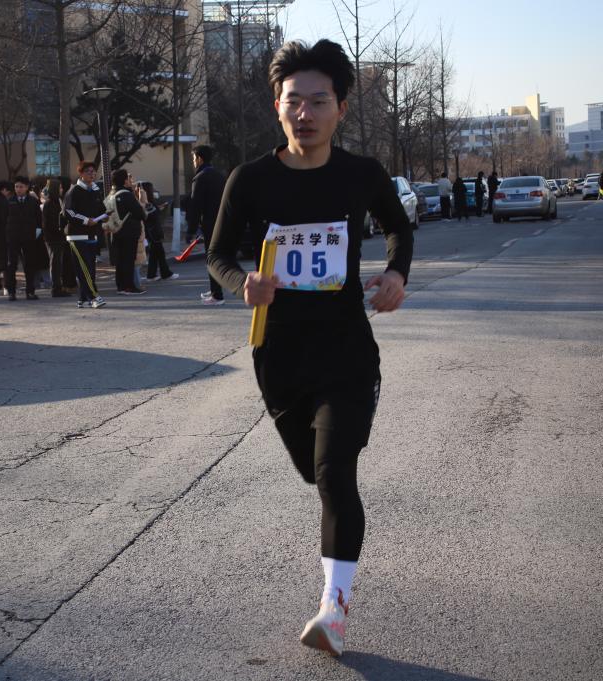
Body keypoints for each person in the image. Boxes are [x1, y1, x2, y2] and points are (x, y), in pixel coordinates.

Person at [207, 39, 413, 658]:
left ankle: (333, 610)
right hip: (279, 356)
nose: (305, 113)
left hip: (346, 350)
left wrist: (396, 273)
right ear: (277, 107)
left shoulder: (362, 174)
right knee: (313, 471)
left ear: (340, 109)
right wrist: (242, 282)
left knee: (334, 472)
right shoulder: (250, 180)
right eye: (293, 101)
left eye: (318, 101)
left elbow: (399, 228)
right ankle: (334, 590)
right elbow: (217, 254)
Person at [63, 161, 108, 308]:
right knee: (84, 269)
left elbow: (101, 209)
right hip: (77, 236)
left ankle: (82, 298)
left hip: (92, 235)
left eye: (93, 171)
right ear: (81, 174)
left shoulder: (95, 190)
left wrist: (105, 216)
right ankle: (94, 297)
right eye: (88, 171)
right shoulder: (73, 191)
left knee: (91, 269)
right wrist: (85, 220)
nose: (92, 174)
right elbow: (68, 212)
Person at [187, 145, 227, 306]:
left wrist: (191, 230)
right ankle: (214, 289)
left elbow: (195, 206)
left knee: (212, 259)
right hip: (222, 222)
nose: (193, 161)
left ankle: (217, 296)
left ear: (199, 159)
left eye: (193, 158)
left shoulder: (200, 178)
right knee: (216, 257)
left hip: (210, 224)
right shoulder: (219, 175)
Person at [106, 168, 148, 295]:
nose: (130, 181)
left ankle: (120, 286)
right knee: (129, 259)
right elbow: (140, 213)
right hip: (129, 232)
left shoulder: (111, 195)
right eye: (128, 178)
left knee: (120, 260)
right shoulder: (127, 195)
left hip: (115, 231)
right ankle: (129, 286)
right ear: (125, 181)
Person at [3, 177, 42, 301]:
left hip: (28, 237)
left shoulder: (33, 201)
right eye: (16, 187)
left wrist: (38, 230)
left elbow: (39, 218)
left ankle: (30, 291)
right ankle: (11, 292)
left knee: (29, 264)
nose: (18, 189)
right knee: (11, 265)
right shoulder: (9, 201)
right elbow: (3, 219)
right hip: (12, 237)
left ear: (26, 187)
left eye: (21, 187)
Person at [42, 178, 72, 297]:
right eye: (59, 187)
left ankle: (59, 286)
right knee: (55, 263)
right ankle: (56, 288)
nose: (61, 189)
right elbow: (50, 223)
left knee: (58, 263)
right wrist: (61, 230)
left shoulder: (57, 201)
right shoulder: (50, 203)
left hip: (58, 237)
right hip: (54, 238)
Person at [142, 181, 178, 282]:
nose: (153, 191)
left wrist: (159, 208)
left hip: (153, 232)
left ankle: (151, 274)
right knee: (160, 253)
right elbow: (151, 215)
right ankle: (166, 273)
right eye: (151, 189)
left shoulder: (148, 202)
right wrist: (158, 209)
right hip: (153, 232)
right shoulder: (147, 203)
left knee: (154, 254)